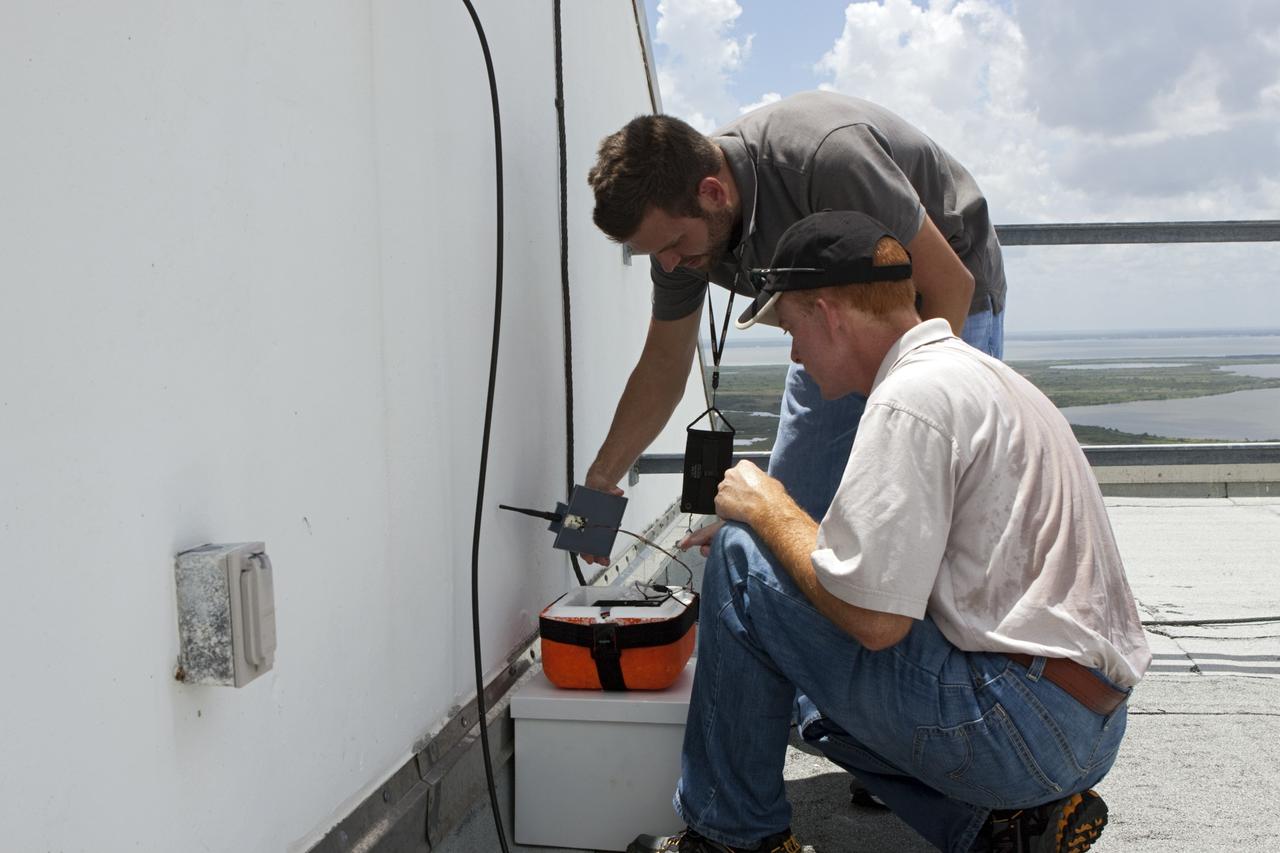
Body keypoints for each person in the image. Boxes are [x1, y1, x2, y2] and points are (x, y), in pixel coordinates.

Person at [627, 211, 1151, 853]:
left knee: (740, 555)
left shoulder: (910, 398)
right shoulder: (981, 376)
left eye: (791, 328)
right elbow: (891, 570)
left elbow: (875, 622)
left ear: (828, 313)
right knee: (788, 664)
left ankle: (731, 839)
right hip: (1084, 724)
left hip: (1015, 725)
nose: (794, 353)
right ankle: (1003, 829)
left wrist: (766, 508)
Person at [584, 91, 1007, 527]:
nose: (669, 265)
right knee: (791, 512)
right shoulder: (677, 229)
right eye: (655, 253)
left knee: (919, 506)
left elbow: (951, 284)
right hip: (824, 311)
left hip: (941, 295)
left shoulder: (827, 161)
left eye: (672, 245)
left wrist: (900, 429)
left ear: (713, 193)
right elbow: (664, 363)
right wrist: (600, 482)